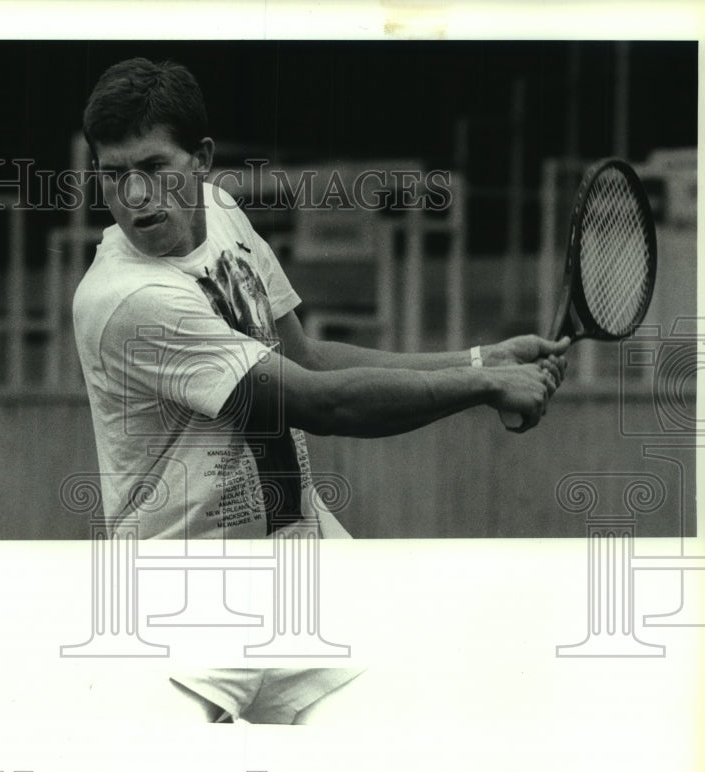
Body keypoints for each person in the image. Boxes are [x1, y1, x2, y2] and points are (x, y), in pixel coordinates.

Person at [71, 57, 568, 724]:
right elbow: (318, 402)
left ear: (202, 160)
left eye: (154, 168)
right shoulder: (129, 298)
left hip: (299, 564)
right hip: (181, 600)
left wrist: (480, 356)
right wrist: (483, 384)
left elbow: (306, 358)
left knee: (409, 744)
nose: (134, 195)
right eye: (113, 174)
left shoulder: (222, 215)